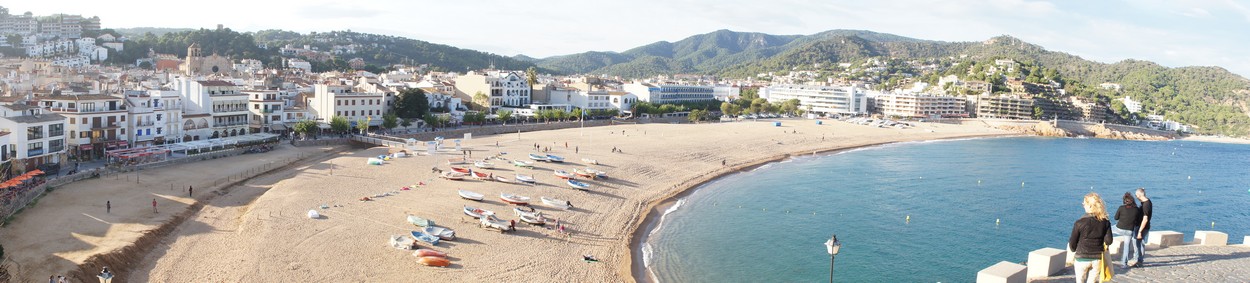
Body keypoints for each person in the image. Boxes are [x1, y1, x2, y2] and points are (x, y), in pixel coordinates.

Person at [1069, 192, 1113, 283]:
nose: (1083, 205)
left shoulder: (1079, 223)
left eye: (1084, 203)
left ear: (1090, 206)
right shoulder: (1105, 222)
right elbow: (1109, 241)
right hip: (1097, 258)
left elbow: (1072, 244)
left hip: (1081, 257)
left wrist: (1074, 250)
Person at [1113, 192, 1141, 267]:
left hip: (1119, 228)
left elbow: (1116, 218)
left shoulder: (1121, 208)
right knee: (1126, 246)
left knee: (1107, 230)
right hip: (1129, 231)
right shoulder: (1137, 210)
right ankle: (1124, 264)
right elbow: (1138, 221)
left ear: (1124, 201)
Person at [1134, 187, 1152, 267]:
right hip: (1140, 226)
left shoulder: (1146, 205)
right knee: (1139, 243)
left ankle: (1139, 261)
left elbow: (1145, 219)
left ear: (1139, 195)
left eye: (1136, 195)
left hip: (1142, 227)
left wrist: (1140, 231)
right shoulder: (1146, 201)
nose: (1136, 197)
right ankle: (1138, 259)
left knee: (1140, 244)